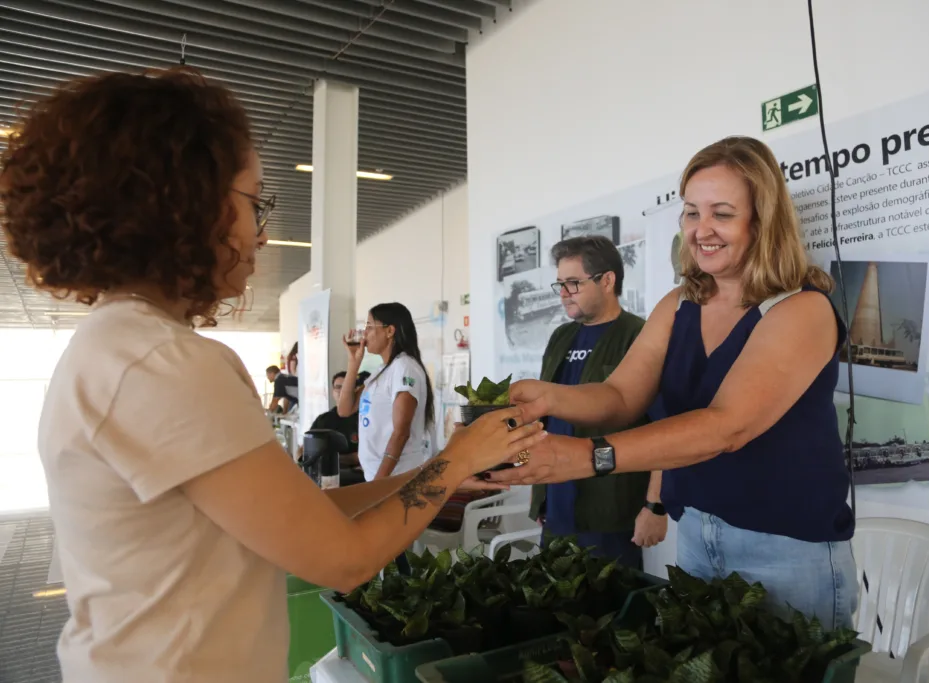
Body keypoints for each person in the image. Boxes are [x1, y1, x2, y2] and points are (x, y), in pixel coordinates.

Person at [0, 68, 543, 683]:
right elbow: (342, 560)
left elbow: (308, 514)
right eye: (254, 203)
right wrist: (455, 461)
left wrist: (440, 473)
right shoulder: (162, 363)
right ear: (180, 202)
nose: (261, 234)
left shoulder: (124, 346)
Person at [488, 136, 856, 630]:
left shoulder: (803, 308)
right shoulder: (680, 303)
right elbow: (620, 396)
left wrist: (586, 456)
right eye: (691, 213)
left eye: (721, 214)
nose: (701, 230)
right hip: (700, 535)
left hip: (786, 549)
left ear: (762, 220)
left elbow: (725, 428)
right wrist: (545, 397)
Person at [532, 235, 665, 569]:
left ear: (607, 280)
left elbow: (664, 427)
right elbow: (543, 420)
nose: (563, 294)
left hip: (610, 510)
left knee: (611, 614)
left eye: (573, 283)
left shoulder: (640, 336)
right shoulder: (561, 337)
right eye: (560, 284)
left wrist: (654, 506)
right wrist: (540, 498)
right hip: (555, 507)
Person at [338, 303, 435, 483]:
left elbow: (401, 433)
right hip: (379, 477)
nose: (364, 333)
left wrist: (378, 484)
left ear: (390, 331)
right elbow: (344, 409)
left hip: (396, 478)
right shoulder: (383, 370)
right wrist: (353, 363)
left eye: (369, 326)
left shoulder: (405, 368)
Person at [270, 344, 300, 413]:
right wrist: (284, 412)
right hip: (298, 398)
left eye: (268, 375)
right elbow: (286, 396)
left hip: (301, 398)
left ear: (272, 373)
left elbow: (275, 400)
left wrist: (268, 415)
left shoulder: (279, 381)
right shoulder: (283, 377)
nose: (268, 377)